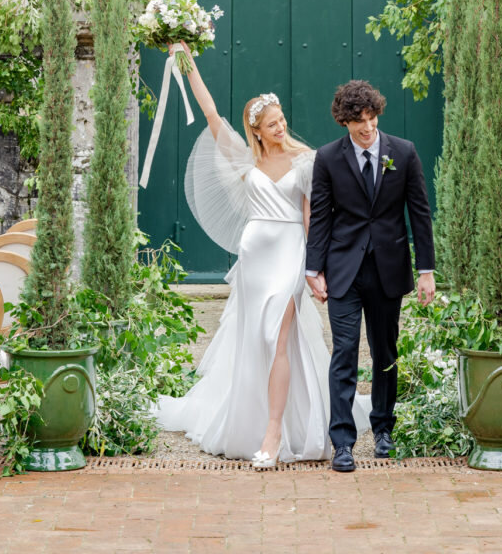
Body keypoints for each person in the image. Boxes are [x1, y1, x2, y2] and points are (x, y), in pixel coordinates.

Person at [154, 45, 369, 465]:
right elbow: (212, 113)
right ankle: (260, 422)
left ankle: (274, 433)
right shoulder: (244, 159)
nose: (280, 126)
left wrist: (316, 268)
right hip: (254, 258)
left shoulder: (305, 160)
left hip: (290, 253)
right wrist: (187, 62)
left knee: (277, 336)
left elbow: (311, 218)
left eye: (281, 120)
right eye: (271, 124)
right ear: (256, 130)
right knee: (256, 340)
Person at [305, 79, 436, 472]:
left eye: (372, 117)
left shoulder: (404, 153)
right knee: (343, 353)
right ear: (344, 121)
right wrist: (313, 269)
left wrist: (426, 269)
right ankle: (342, 441)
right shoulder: (328, 158)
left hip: (388, 270)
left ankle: (383, 429)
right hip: (343, 270)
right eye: (358, 120)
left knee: (385, 353)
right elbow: (322, 218)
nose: (367, 126)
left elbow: (420, 213)